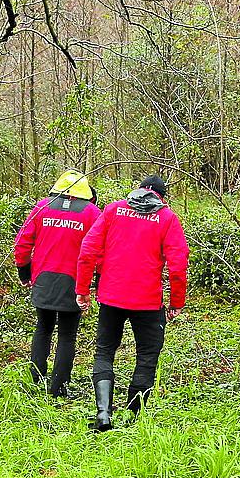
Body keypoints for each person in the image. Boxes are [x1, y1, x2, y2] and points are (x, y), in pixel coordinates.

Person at [75, 175, 189, 431]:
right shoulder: (167, 218)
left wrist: (83, 290)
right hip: (148, 301)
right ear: (162, 196)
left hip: (111, 297)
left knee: (105, 351)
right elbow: (178, 265)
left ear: (138, 190)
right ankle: (133, 417)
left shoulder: (114, 210)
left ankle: (103, 413)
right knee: (147, 356)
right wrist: (176, 302)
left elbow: (88, 250)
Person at [13, 170, 101, 398]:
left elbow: (22, 242)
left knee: (43, 328)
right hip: (73, 282)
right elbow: (101, 252)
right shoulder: (92, 213)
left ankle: (36, 380)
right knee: (67, 335)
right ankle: (58, 387)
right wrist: (98, 283)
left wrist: (24, 272)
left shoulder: (42, 206)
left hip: (43, 279)